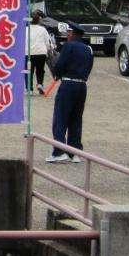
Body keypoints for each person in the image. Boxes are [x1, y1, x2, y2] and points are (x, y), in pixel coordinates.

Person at [48, 22, 93, 163]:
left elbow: (60, 65)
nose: (67, 34)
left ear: (73, 33)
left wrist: (55, 68)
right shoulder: (88, 49)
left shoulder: (68, 46)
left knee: (60, 119)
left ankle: (59, 151)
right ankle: (75, 152)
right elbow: (89, 67)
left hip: (68, 84)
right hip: (82, 85)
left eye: (69, 32)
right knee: (76, 119)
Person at [27, 11, 55, 93]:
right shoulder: (43, 29)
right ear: (39, 20)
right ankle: (40, 83)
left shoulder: (26, 29)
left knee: (29, 71)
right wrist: (50, 49)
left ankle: (29, 89)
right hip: (41, 52)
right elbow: (48, 42)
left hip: (29, 53)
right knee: (40, 70)